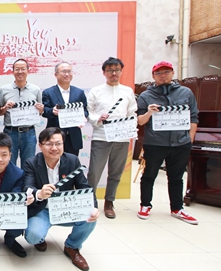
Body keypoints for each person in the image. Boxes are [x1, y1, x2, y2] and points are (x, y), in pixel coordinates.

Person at [24, 127, 99, 271]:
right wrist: (39, 193)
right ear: (40, 145)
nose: (54, 148)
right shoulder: (31, 162)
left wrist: (94, 206)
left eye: (58, 144)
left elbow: (85, 187)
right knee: (33, 236)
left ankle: (72, 246)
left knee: (90, 215)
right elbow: (27, 187)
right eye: (49, 144)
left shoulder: (72, 160)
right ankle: (40, 239)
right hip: (42, 209)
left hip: (66, 208)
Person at [136, 61, 199, 224]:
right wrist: (149, 112)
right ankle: (145, 205)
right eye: (159, 73)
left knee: (176, 177)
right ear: (153, 76)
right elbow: (140, 121)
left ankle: (177, 208)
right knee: (149, 175)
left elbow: (193, 116)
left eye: (166, 72)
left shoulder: (186, 93)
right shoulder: (145, 96)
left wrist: (190, 139)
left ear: (172, 73)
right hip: (155, 143)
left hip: (180, 143)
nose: (162, 75)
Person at [86, 57, 138, 219]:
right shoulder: (96, 91)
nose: (113, 73)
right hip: (101, 136)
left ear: (121, 72)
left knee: (116, 172)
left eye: (116, 70)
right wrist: (98, 118)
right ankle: (90, 201)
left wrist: (131, 126)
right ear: (104, 72)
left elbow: (132, 113)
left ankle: (109, 202)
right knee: (94, 172)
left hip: (121, 138)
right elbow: (88, 112)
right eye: (110, 70)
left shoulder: (127, 91)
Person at [0, 59, 44, 167]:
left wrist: (41, 109)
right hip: (10, 132)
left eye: (23, 69)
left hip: (29, 133)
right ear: (13, 71)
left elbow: (40, 112)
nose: (20, 72)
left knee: (28, 165)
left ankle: (27, 180)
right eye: (17, 69)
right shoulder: (4, 89)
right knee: (9, 164)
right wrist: (5, 107)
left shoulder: (35, 89)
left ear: (28, 70)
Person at [42, 62, 88, 156]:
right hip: (54, 136)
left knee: (72, 162)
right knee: (53, 161)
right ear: (56, 74)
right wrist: (52, 111)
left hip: (73, 137)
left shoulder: (79, 92)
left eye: (69, 71)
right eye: (63, 71)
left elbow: (85, 110)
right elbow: (44, 111)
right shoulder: (48, 92)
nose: (67, 74)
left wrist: (83, 117)